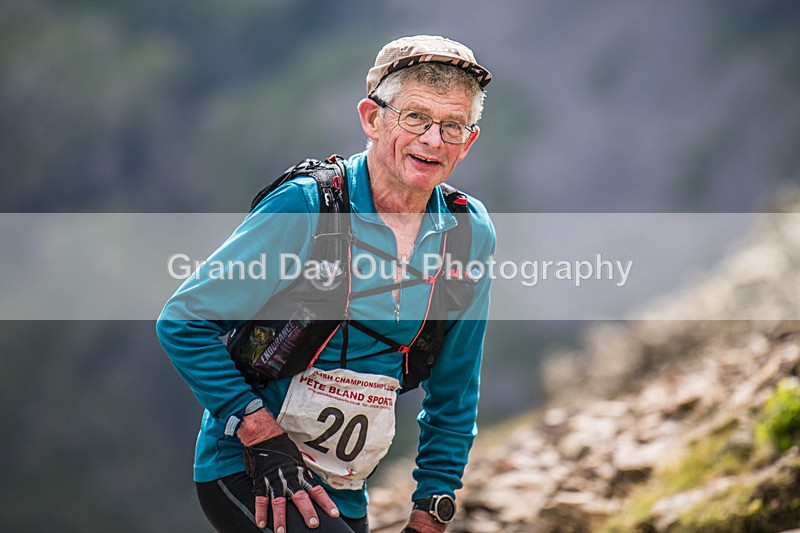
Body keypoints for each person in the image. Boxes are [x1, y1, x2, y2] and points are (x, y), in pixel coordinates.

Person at [157, 35, 495, 533]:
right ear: (372, 118)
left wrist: (432, 509)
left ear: (469, 141)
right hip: (251, 467)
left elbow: (456, 386)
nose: (432, 140)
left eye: (452, 126)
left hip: (343, 490)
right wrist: (260, 433)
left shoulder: (469, 232)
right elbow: (183, 322)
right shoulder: (309, 205)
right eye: (415, 117)